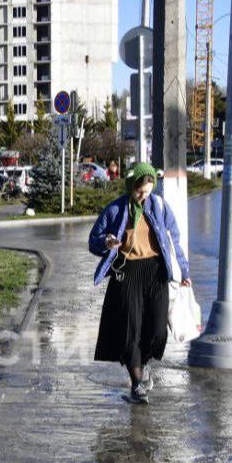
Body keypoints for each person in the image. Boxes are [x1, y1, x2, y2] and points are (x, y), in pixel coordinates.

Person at [87, 162, 191, 402]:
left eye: (147, 190)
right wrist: (107, 242)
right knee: (129, 329)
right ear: (130, 187)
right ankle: (136, 384)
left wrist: (184, 271)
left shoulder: (160, 206)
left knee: (157, 330)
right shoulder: (115, 209)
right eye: (138, 191)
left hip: (156, 271)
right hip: (127, 271)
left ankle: (142, 365)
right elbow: (94, 239)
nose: (143, 195)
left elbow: (173, 241)